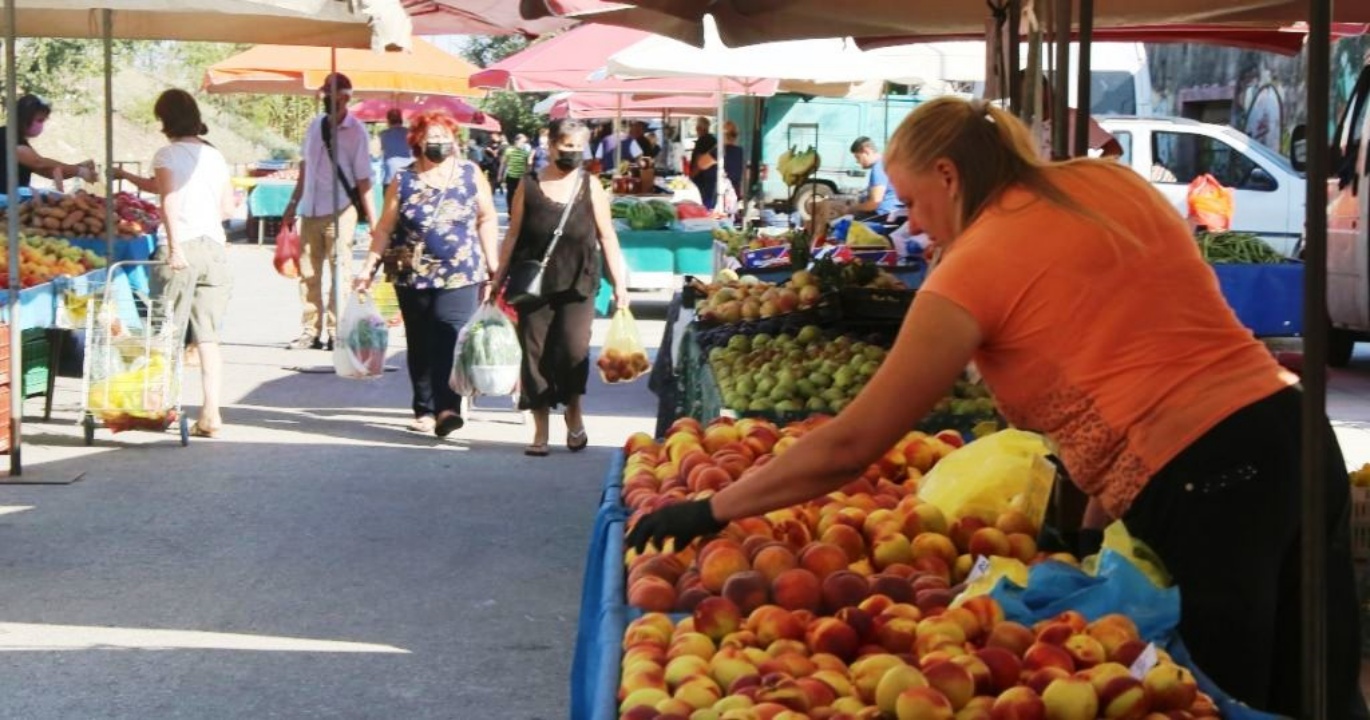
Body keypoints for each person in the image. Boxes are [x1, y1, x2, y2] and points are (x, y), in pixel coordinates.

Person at [626, 96, 1367, 719]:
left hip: (1208, 484)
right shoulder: (1107, 186)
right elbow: (1128, 364)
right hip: (1295, 435)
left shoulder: (975, 267)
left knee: (1210, 696)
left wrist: (713, 511)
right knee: (1317, 689)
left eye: (913, 202)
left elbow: (853, 444)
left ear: (948, 176)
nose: (911, 224)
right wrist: (1081, 537)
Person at [490, 118, 630, 457]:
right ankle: (540, 429)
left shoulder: (590, 185)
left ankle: (573, 411)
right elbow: (512, 234)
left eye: (578, 149)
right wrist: (497, 278)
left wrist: (620, 284)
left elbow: (607, 235)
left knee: (572, 351)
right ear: (551, 146)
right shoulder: (529, 184)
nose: (572, 154)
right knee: (534, 354)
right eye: (566, 147)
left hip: (579, 281)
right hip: (533, 283)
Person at [356, 112, 499, 437]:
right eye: (431, 138)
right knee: (420, 340)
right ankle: (424, 407)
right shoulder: (403, 180)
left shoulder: (469, 173)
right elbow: (384, 229)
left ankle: (447, 407)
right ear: (417, 141)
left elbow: (487, 217)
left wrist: (493, 262)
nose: (439, 144)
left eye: (445, 137)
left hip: (461, 271)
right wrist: (368, 267)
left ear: (454, 140)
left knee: (449, 333)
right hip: (412, 273)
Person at [111, 90, 233, 438]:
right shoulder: (214, 156)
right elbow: (226, 208)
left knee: (167, 332)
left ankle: (162, 404)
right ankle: (211, 413)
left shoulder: (167, 153)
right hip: (215, 249)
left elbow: (169, 198)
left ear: (165, 119)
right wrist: (129, 178)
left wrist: (176, 246)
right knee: (207, 337)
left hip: (181, 249)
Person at [281, 73, 376, 351]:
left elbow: (363, 179)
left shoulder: (356, 132)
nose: (326, 99)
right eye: (324, 94)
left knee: (340, 273)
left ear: (345, 98)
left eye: (331, 95)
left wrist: (374, 222)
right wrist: (292, 204)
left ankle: (337, 332)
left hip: (340, 209)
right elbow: (305, 167)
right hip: (310, 209)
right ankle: (310, 330)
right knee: (308, 274)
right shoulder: (314, 126)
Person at [0, 94, 98, 191]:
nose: (41, 125)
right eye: (39, 120)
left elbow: (47, 171)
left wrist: (78, 168)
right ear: (24, 118)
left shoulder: (21, 140)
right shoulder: (6, 136)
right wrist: (79, 171)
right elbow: (38, 163)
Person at [848, 136, 904, 220]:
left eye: (858, 157)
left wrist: (852, 208)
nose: (857, 162)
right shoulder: (887, 162)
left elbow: (874, 203)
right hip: (894, 213)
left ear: (866, 151)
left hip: (883, 215)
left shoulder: (878, 168)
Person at [378, 107, 412, 185]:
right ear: (401, 120)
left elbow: (377, 153)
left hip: (390, 177)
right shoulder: (410, 133)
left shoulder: (383, 134)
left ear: (388, 121)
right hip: (409, 176)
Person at [499, 133, 531, 199]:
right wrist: (499, 175)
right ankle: (510, 208)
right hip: (511, 176)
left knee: (520, 196)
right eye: (522, 142)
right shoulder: (509, 150)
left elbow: (527, 165)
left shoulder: (525, 152)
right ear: (516, 141)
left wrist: (526, 176)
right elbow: (503, 163)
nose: (523, 144)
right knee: (510, 195)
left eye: (524, 142)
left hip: (521, 177)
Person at [720, 120, 745, 198]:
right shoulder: (740, 151)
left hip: (724, 190)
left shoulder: (720, 151)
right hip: (735, 189)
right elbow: (743, 172)